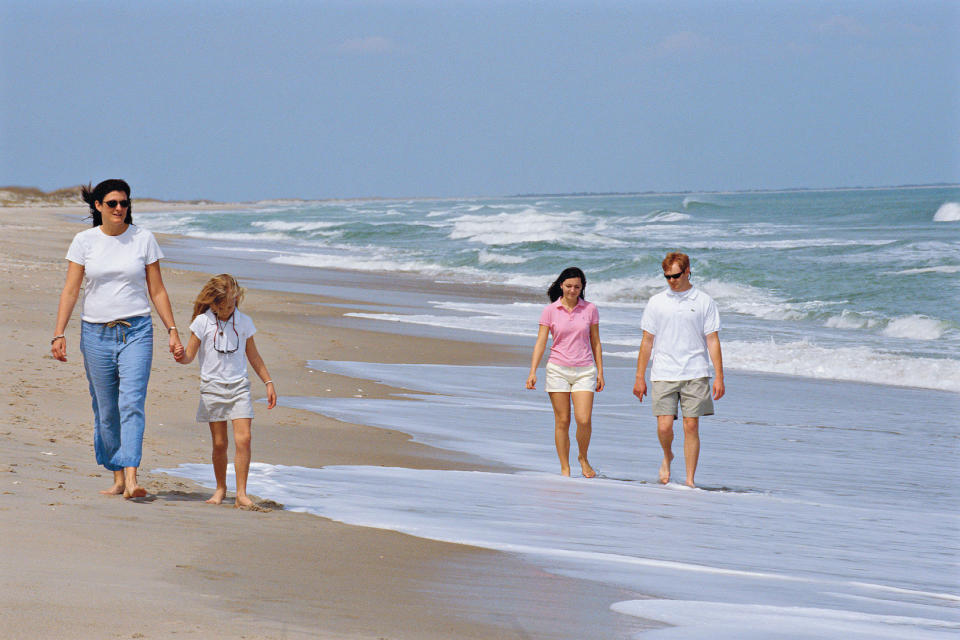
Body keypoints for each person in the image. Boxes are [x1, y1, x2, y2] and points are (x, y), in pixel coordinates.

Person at [52, 179, 182, 498]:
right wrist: (59, 333)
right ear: (98, 206)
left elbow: (157, 289)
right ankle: (118, 477)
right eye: (112, 203)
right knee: (106, 409)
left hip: (136, 330)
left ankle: (133, 478)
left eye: (124, 203)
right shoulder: (84, 242)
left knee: (132, 402)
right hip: (95, 332)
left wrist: (173, 330)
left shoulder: (144, 239)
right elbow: (70, 290)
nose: (120, 209)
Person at [175, 274, 276, 508]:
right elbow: (189, 356)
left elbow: (253, 355)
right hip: (212, 388)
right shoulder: (202, 323)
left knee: (245, 439)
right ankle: (221, 488)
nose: (228, 310)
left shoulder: (244, 322)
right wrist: (181, 356)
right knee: (220, 444)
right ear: (212, 304)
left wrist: (268, 382)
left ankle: (241, 494)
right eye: (223, 307)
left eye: (232, 305)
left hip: (239, 386)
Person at [633, 252, 724, 488]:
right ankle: (667, 455)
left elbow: (712, 340)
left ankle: (690, 480)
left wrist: (719, 376)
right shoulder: (656, 302)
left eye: (675, 276)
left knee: (691, 425)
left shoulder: (704, 301)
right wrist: (639, 377)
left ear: (687, 271)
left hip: (695, 370)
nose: (671, 281)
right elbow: (646, 340)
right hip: (663, 371)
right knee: (664, 427)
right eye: (667, 277)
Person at [526, 267, 605, 478]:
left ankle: (582, 457)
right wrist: (533, 371)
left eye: (577, 287)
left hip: (585, 369)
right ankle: (565, 468)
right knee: (562, 421)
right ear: (561, 285)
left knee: (584, 419)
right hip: (557, 369)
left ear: (582, 288)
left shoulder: (590, 309)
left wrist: (600, 372)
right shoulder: (550, 310)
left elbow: (596, 342)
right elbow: (541, 341)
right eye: (569, 286)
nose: (572, 290)